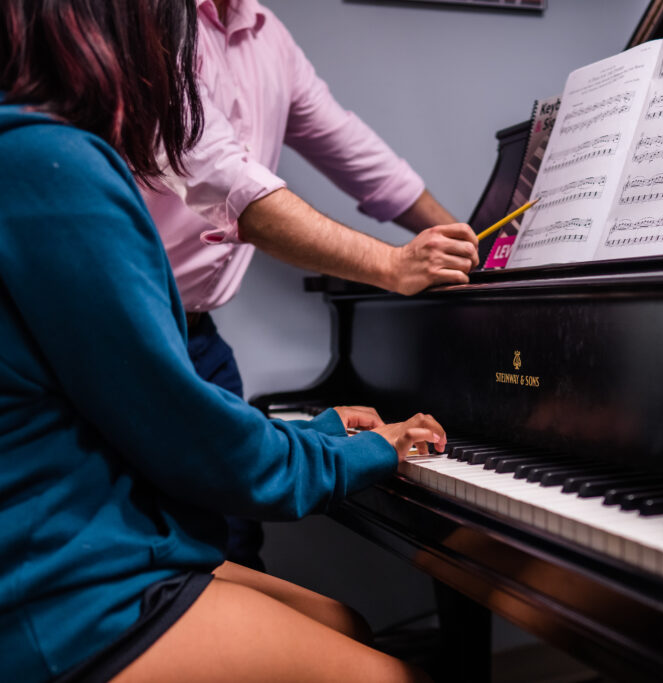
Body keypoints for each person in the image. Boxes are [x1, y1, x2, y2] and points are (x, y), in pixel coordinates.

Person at [0, 0, 440, 680]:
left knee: (341, 620)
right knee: (390, 672)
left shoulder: (39, 152)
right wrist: (354, 457)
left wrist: (321, 437)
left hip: (87, 520)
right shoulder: (52, 165)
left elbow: (353, 147)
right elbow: (186, 443)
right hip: (55, 588)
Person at [144, 0, 479, 568]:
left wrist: (465, 241)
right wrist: (393, 266)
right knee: (168, 546)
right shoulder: (150, 19)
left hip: (200, 339)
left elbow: (352, 148)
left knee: (235, 542)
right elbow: (220, 176)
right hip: (136, 335)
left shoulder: (267, 33)